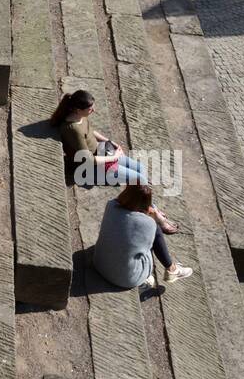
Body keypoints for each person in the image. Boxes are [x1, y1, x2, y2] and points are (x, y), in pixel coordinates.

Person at [50, 90, 178, 234]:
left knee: (140, 168)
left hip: (103, 153)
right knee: (140, 180)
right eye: (90, 109)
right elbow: (89, 160)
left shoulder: (79, 117)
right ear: (78, 109)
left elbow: (91, 132)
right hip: (90, 169)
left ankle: (149, 207)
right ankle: (153, 213)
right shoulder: (72, 129)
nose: (94, 110)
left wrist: (109, 141)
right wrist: (115, 157)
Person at [93, 185, 192, 291]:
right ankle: (172, 269)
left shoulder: (111, 204)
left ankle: (171, 269)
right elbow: (145, 249)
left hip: (99, 263)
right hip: (125, 279)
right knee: (155, 231)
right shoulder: (148, 224)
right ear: (146, 204)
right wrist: (156, 219)